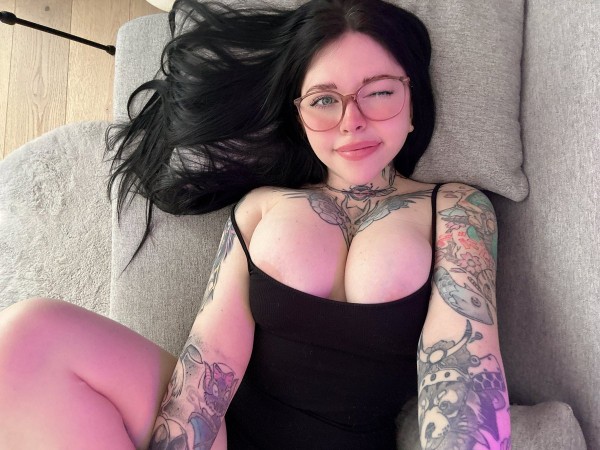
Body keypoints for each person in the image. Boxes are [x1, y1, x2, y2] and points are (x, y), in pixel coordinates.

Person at [0, 0, 512, 448]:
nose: (351, 120)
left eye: (378, 92)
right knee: (26, 334)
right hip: (226, 432)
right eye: (324, 100)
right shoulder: (261, 206)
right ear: (301, 117)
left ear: (412, 103)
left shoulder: (457, 209)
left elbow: (465, 377)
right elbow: (210, 361)